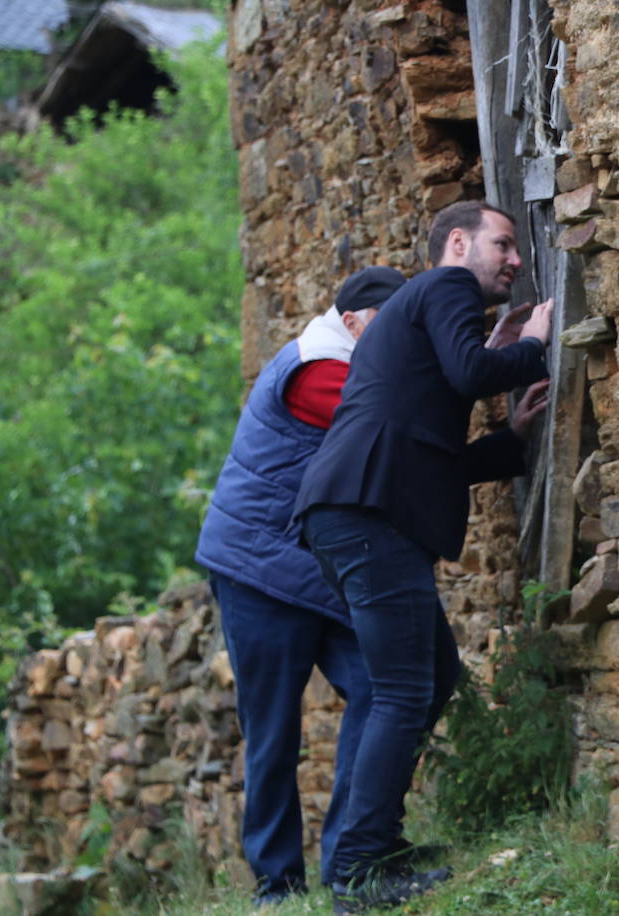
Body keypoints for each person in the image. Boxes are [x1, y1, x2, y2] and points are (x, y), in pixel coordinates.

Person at [293, 200, 553, 913]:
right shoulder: (444, 287)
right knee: (405, 687)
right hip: (365, 516)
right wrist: (532, 343)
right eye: (503, 244)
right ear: (459, 243)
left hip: (360, 511)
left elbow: (427, 449)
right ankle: (357, 871)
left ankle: (375, 843)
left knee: (426, 678)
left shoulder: (423, 318)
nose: (515, 259)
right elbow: (473, 374)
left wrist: (514, 438)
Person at [195, 266, 405, 904]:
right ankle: (275, 884)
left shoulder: (348, 358)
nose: (394, 340)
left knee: (379, 685)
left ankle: (352, 856)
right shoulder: (319, 369)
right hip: (258, 570)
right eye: (385, 327)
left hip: (311, 570)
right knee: (272, 730)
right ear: (350, 324)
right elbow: (391, 428)